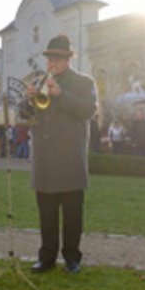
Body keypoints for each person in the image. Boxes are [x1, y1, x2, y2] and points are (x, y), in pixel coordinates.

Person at [24, 35, 97, 274]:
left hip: (69, 159)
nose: (51, 64)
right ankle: (46, 257)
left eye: (56, 59)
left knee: (72, 215)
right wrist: (27, 100)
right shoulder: (40, 81)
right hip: (44, 158)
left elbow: (87, 110)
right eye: (49, 59)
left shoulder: (84, 82)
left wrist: (60, 93)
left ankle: (72, 257)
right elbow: (25, 114)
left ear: (67, 60)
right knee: (46, 215)